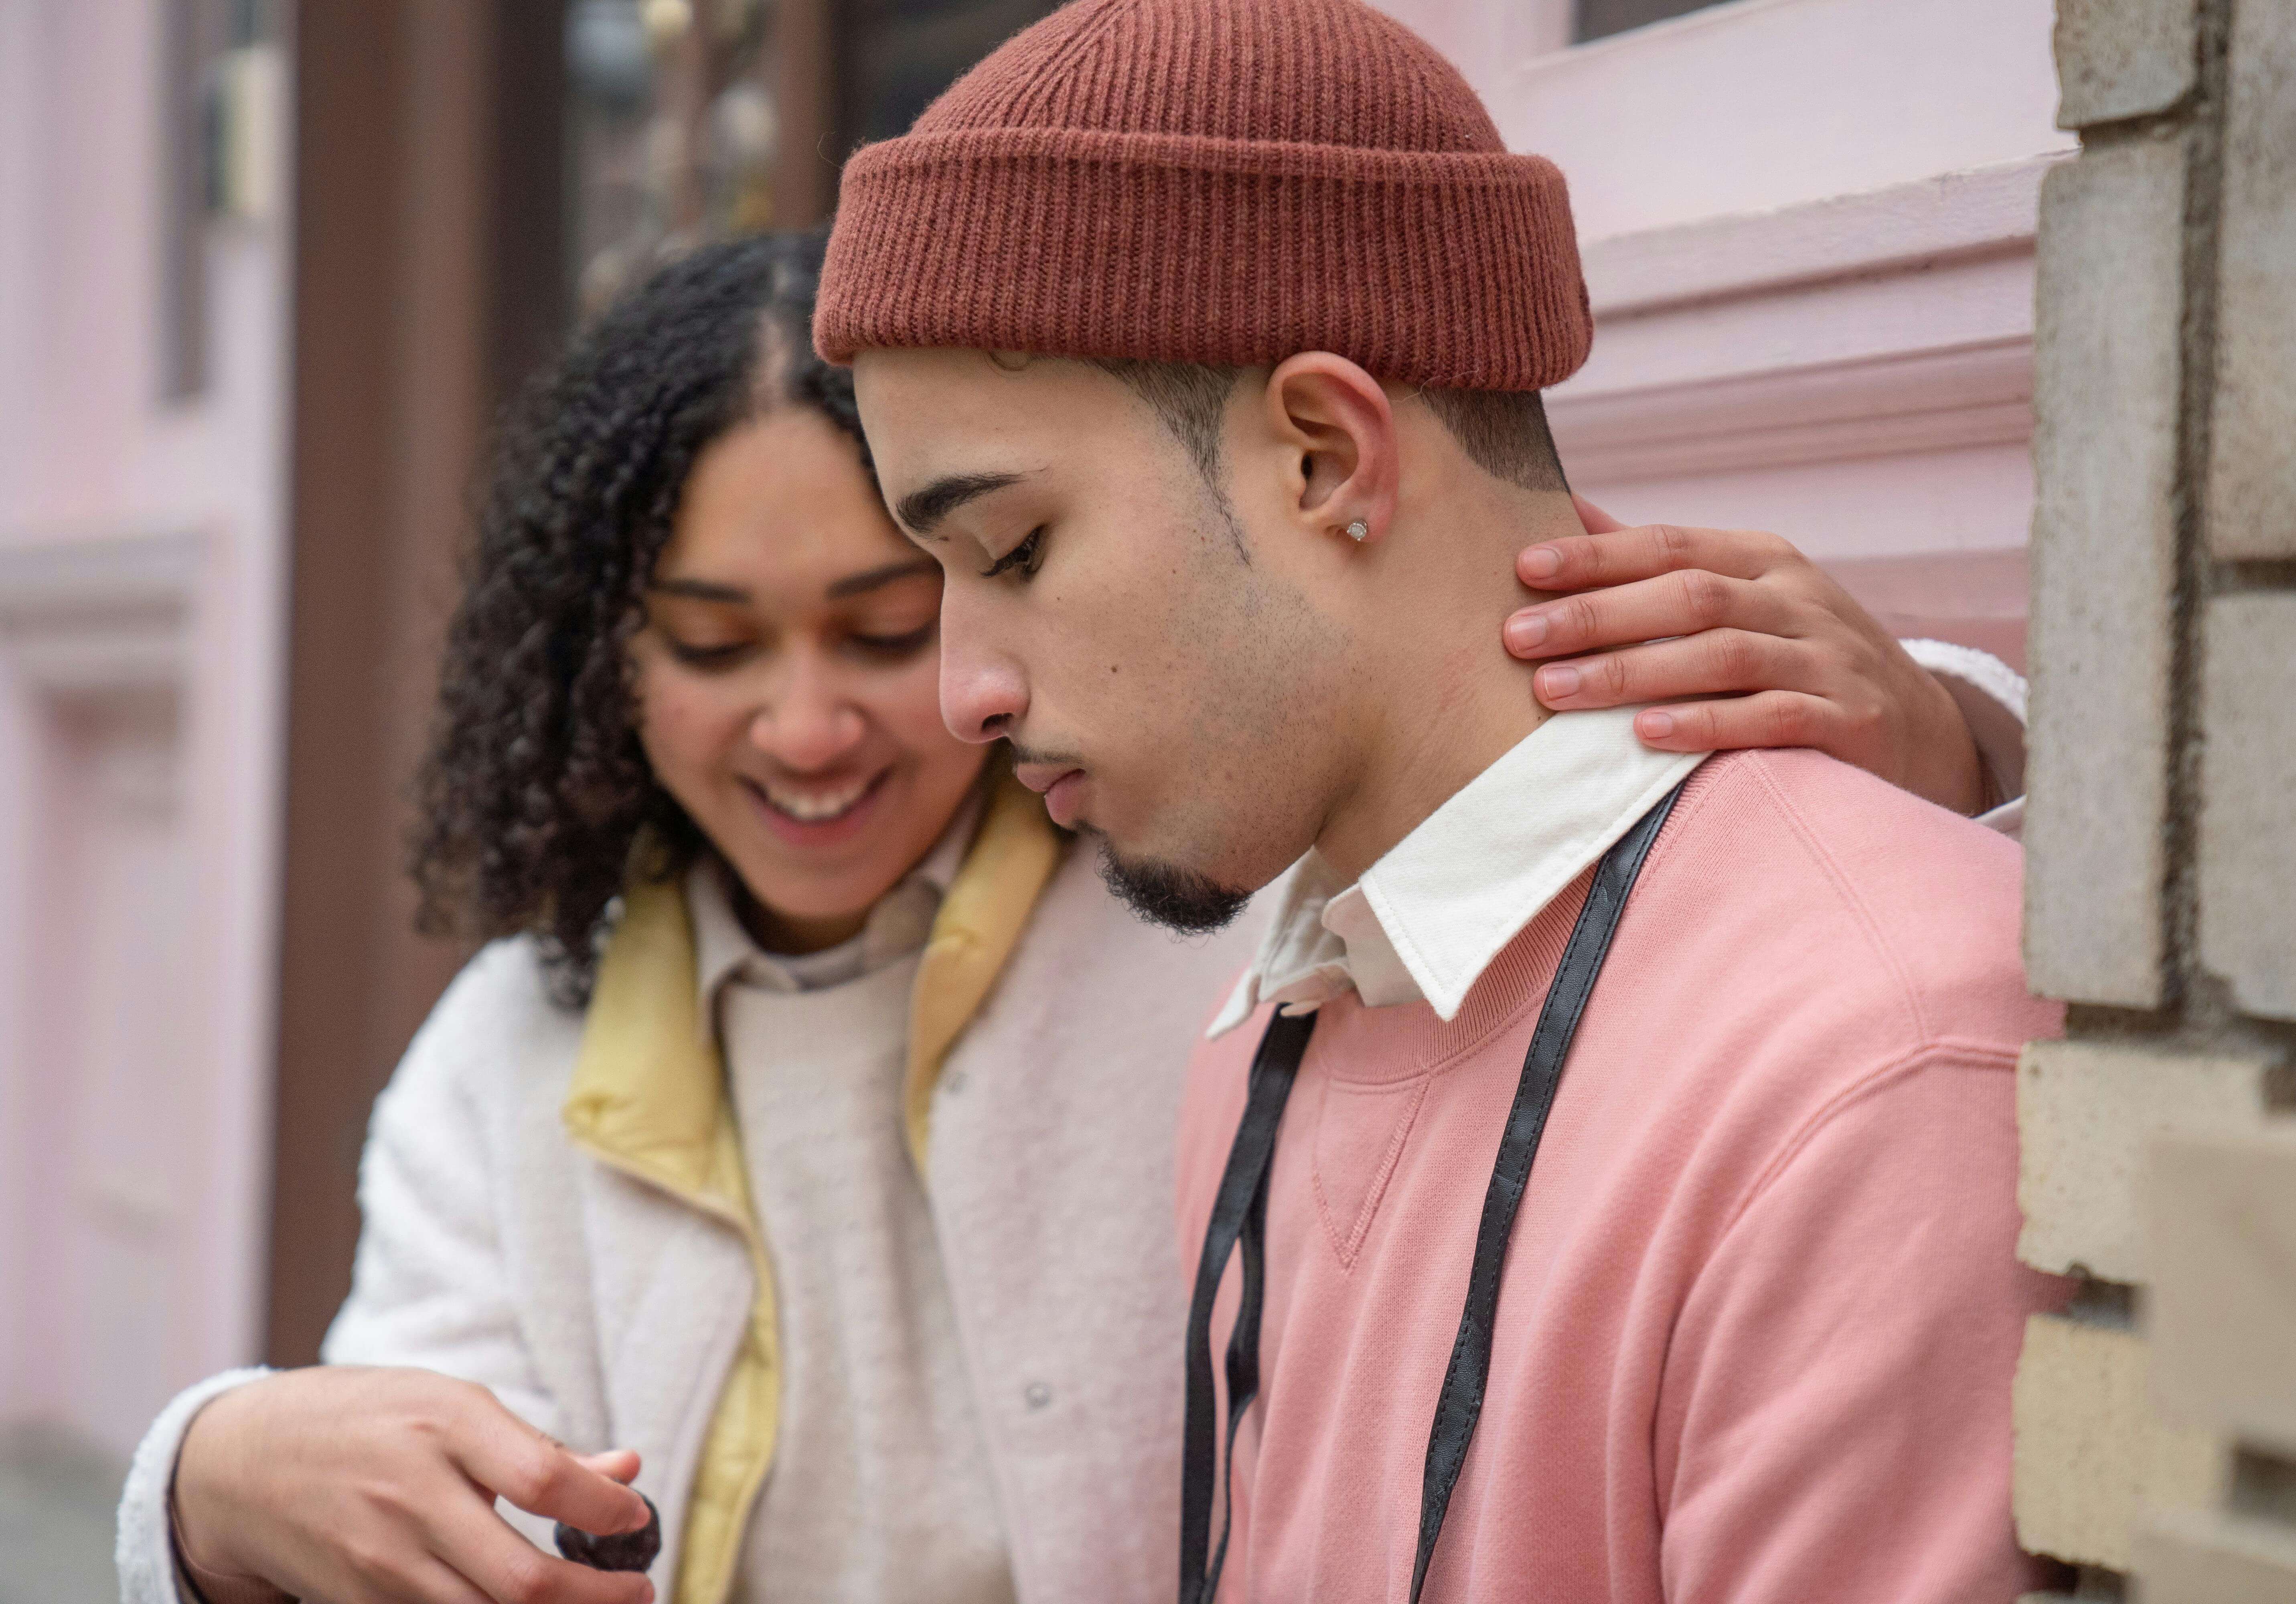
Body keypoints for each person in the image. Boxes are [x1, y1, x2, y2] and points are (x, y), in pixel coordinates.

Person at [118, 226, 2027, 1604]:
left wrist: (1960, 721)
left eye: (931, 596)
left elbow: (1484, 712)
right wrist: (200, 1477)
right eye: (714, 646)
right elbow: (394, 1491)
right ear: (593, 662)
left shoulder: (1208, 888)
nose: (840, 718)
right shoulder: (512, 1049)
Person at [822, 1, 2065, 1600]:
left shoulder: (1874, 1064)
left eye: (1010, 552)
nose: (961, 692)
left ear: (1328, 456)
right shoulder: (1279, 1014)